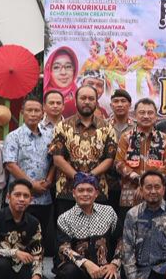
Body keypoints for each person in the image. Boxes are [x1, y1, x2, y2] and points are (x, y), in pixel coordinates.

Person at [55, 172, 120, 279]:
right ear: (74, 193)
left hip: (103, 267)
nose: (85, 194)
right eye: (81, 190)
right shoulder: (64, 218)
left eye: (89, 190)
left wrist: (114, 264)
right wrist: (86, 263)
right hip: (78, 269)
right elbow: (64, 248)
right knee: (68, 271)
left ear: (96, 193)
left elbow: (120, 240)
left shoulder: (109, 212)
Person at [50, 85, 117, 221]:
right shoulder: (62, 126)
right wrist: (78, 177)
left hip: (97, 191)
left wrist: (90, 176)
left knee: (98, 232)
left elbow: (109, 159)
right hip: (67, 191)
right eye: (83, 98)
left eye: (91, 98)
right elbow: (57, 159)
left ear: (96, 102)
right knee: (66, 232)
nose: (87, 101)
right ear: (76, 101)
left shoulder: (107, 127)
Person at [3, 98, 55, 256]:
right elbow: (10, 164)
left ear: (42, 113)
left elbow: (55, 161)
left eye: (36, 111)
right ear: (22, 113)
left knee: (38, 239)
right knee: (17, 239)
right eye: (29, 110)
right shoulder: (14, 136)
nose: (33, 114)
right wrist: (31, 185)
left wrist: (49, 180)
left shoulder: (50, 136)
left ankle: (37, 268)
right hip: (20, 197)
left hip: (43, 198)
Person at [115, 99, 166, 209]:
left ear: (156, 116)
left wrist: (148, 184)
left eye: (150, 113)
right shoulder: (126, 137)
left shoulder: (165, 139)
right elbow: (119, 163)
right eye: (142, 112)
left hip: (155, 193)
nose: (146, 116)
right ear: (135, 115)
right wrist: (139, 180)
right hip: (130, 195)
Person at [44, 46, 80, 118]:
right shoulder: (42, 97)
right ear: (49, 71)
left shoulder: (81, 97)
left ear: (74, 69)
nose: (63, 72)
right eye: (56, 67)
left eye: (68, 66)